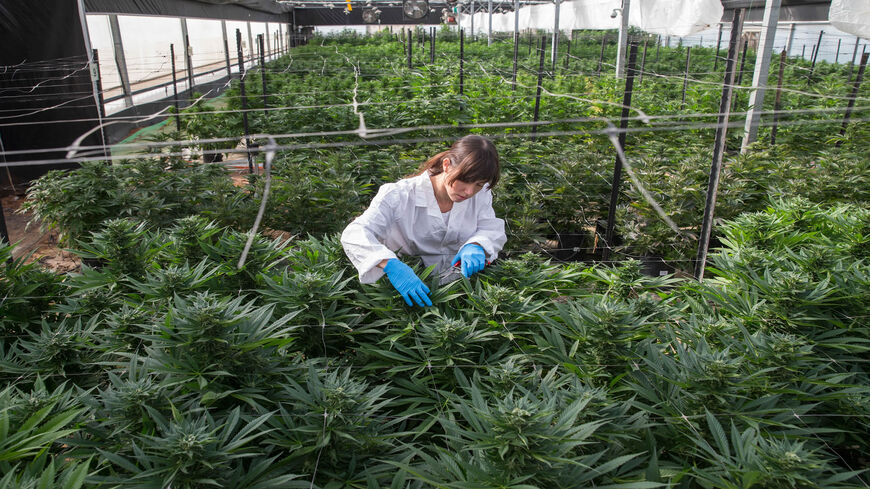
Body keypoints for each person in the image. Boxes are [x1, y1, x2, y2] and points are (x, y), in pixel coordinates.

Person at [341, 135, 507, 307]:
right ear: (446, 165)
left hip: (457, 287)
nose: (469, 191)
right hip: (404, 290)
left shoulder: (481, 194)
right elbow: (355, 233)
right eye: (465, 180)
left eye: (479, 184)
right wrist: (390, 264)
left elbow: (489, 227)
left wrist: (477, 244)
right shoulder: (398, 195)